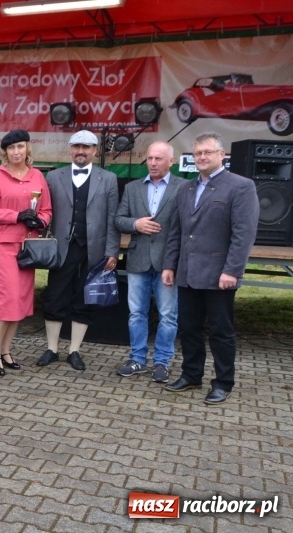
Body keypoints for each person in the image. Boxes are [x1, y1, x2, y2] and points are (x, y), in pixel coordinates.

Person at [162, 132, 259, 404]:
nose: (202, 157)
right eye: (198, 153)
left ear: (221, 155)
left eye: (207, 152)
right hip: (188, 272)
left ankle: (223, 382)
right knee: (189, 328)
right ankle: (191, 375)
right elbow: (176, 232)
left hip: (220, 275)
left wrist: (233, 271)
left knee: (220, 331)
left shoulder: (240, 186)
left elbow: (244, 234)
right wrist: (170, 264)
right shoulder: (186, 189)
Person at [38, 130, 120, 371]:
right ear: (70, 150)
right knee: (54, 296)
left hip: (92, 251)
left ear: (95, 150)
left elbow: (112, 218)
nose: (81, 151)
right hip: (61, 250)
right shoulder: (53, 177)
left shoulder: (108, 179)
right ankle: (52, 348)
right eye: (76, 147)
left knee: (83, 301)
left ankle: (74, 351)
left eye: (86, 147)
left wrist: (112, 251)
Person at [0, 129, 52, 376]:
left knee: (20, 300)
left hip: (28, 246)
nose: (16, 152)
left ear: (27, 149)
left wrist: (39, 221)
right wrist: (16, 216)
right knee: (6, 300)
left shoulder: (37, 176)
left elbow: (47, 210)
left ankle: (7, 351)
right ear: (5, 152)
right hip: (3, 245)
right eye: (11, 148)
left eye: (20, 147)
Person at [114, 141, 185, 383]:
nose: (153, 163)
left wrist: (174, 262)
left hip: (168, 262)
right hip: (138, 259)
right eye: (150, 158)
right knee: (136, 313)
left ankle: (162, 362)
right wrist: (136, 224)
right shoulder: (133, 188)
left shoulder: (184, 187)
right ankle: (137, 359)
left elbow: (187, 225)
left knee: (168, 315)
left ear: (171, 161)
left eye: (159, 159)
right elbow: (118, 219)